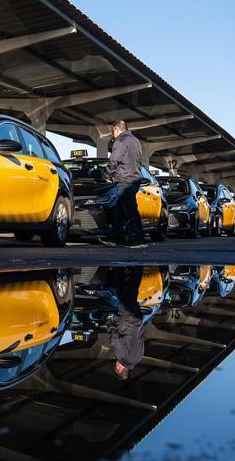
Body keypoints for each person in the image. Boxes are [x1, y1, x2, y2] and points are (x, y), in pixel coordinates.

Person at [101, 120, 146, 248]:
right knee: (119, 210)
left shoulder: (120, 140)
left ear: (116, 130)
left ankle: (140, 239)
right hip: (134, 178)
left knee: (131, 210)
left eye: (112, 132)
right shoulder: (136, 141)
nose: (113, 135)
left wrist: (108, 174)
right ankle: (115, 238)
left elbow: (114, 159)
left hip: (125, 179)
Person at [106, 266, 146, 379]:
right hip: (127, 319)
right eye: (116, 366)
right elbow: (115, 339)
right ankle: (136, 268)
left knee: (126, 293)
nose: (116, 364)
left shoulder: (138, 358)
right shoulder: (122, 358)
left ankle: (120, 269)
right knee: (129, 291)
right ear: (119, 369)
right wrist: (110, 324)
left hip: (136, 319)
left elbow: (140, 339)